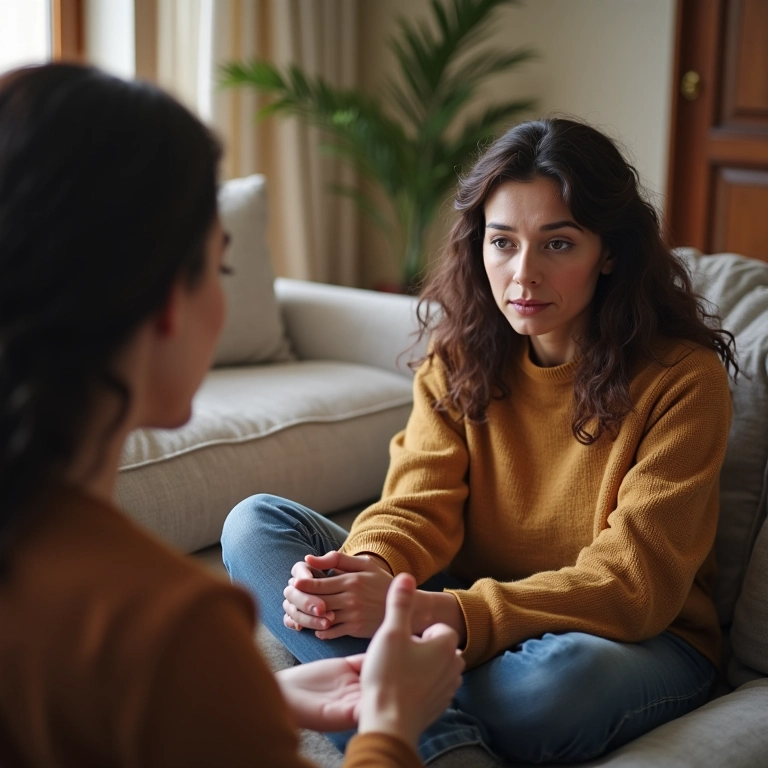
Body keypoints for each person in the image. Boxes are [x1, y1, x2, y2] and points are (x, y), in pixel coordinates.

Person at [222, 117, 739, 765]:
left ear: (608, 251)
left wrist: (443, 613)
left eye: (558, 244)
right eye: (502, 242)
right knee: (254, 526)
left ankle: (410, 709)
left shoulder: (682, 379)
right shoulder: (461, 355)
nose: (522, 275)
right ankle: (444, 743)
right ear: (478, 246)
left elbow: (633, 585)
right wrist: (366, 573)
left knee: (546, 690)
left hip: (634, 640)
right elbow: (416, 503)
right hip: (466, 606)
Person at [0, 62, 465, 768]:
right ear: (163, 305)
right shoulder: (171, 628)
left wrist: (252, 704)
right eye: (219, 269)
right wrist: (392, 726)